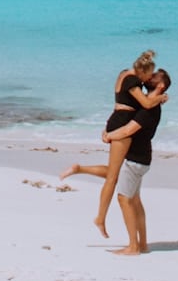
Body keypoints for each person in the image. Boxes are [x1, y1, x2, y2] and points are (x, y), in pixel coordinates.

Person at [61, 51, 165, 236]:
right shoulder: (133, 80)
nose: (147, 81)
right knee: (113, 177)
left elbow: (124, 102)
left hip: (117, 119)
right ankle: (100, 218)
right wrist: (161, 98)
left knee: (115, 172)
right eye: (148, 76)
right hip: (123, 123)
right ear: (141, 72)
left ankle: (80, 169)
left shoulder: (124, 73)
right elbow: (146, 104)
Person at [113, 67, 169, 256]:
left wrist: (108, 135)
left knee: (124, 199)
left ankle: (133, 246)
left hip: (136, 159)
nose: (149, 77)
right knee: (135, 200)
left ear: (160, 85)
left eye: (154, 76)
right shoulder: (151, 104)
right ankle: (143, 244)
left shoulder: (150, 108)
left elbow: (129, 130)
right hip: (143, 158)